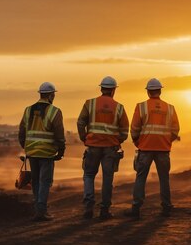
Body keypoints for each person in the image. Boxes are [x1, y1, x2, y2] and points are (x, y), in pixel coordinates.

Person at [124, 78, 179, 219]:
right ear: (160, 91)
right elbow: (175, 130)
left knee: (141, 178)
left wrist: (138, 142)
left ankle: (136, 208)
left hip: (145, 147)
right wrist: (167, 140)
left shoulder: (141, 107)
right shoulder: (170, 108)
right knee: (164, 179)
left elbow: (134, 128)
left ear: (148, 92)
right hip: (163, 148)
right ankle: (166, 207)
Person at [77, 76, 129, 220]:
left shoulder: (90, 103)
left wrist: (84, 138)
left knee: (88, 175)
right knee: (107, 179)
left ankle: (88, 207)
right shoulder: (119, 107)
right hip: (110, 148)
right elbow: (125, 129)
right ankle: (104, 210)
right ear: (113, 90)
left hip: (93, 146)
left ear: (101, 88)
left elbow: (81, 122)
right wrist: (119, 140)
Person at [18, 82, 66, 221]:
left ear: (40, 94)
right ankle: (41, 211)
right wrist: (61, 150)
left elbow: (22, 131)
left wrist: (25, 146)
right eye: (54, 95)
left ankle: (38, 209)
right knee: (45, 181)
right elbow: (59, 133)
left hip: (32, 152)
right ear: (51, 95)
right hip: (47, 153)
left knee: (36, 181)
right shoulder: (55, 111)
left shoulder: (28, 110)